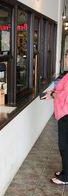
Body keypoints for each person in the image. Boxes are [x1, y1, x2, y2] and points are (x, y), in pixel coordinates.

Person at [44, 50, 68, 184]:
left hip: (66, 115)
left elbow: (66, 96)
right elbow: (62, 91)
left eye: (66, 56)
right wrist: (53, 93)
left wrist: (53, 95)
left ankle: (66, 177)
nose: (65, 59)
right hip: (64, 114)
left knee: (64, 146)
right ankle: (66, 171)